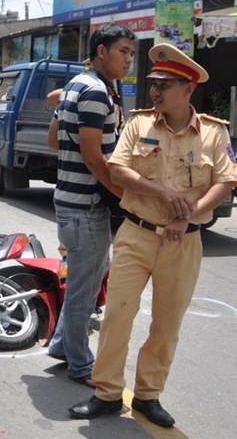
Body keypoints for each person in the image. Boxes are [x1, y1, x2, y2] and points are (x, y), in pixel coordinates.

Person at [69, 43, 237, 427]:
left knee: (167, 323)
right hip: (136, 233)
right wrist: (163, 193)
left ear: (188, 89)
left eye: (165, 84)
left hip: (184, 242)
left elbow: (226, 182)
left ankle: (148, 396)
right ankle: (107, 393)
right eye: (154, 83)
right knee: (117, 316)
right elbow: (117, 172)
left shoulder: (213, 133)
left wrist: (188, 215)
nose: (156, 91)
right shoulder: (139, 124)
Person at [47, 23, 135, 387]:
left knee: (91, 276)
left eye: (132, 53)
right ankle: (81, 365)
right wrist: (123, 195)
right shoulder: (96, 91)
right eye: (123, 51)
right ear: (102, 52)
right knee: (84, 290)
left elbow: (54, 141)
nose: (129, 59)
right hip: (85, 207)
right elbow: (92, 156)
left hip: (70, 201)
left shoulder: (76, 86)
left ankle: (60, 345)